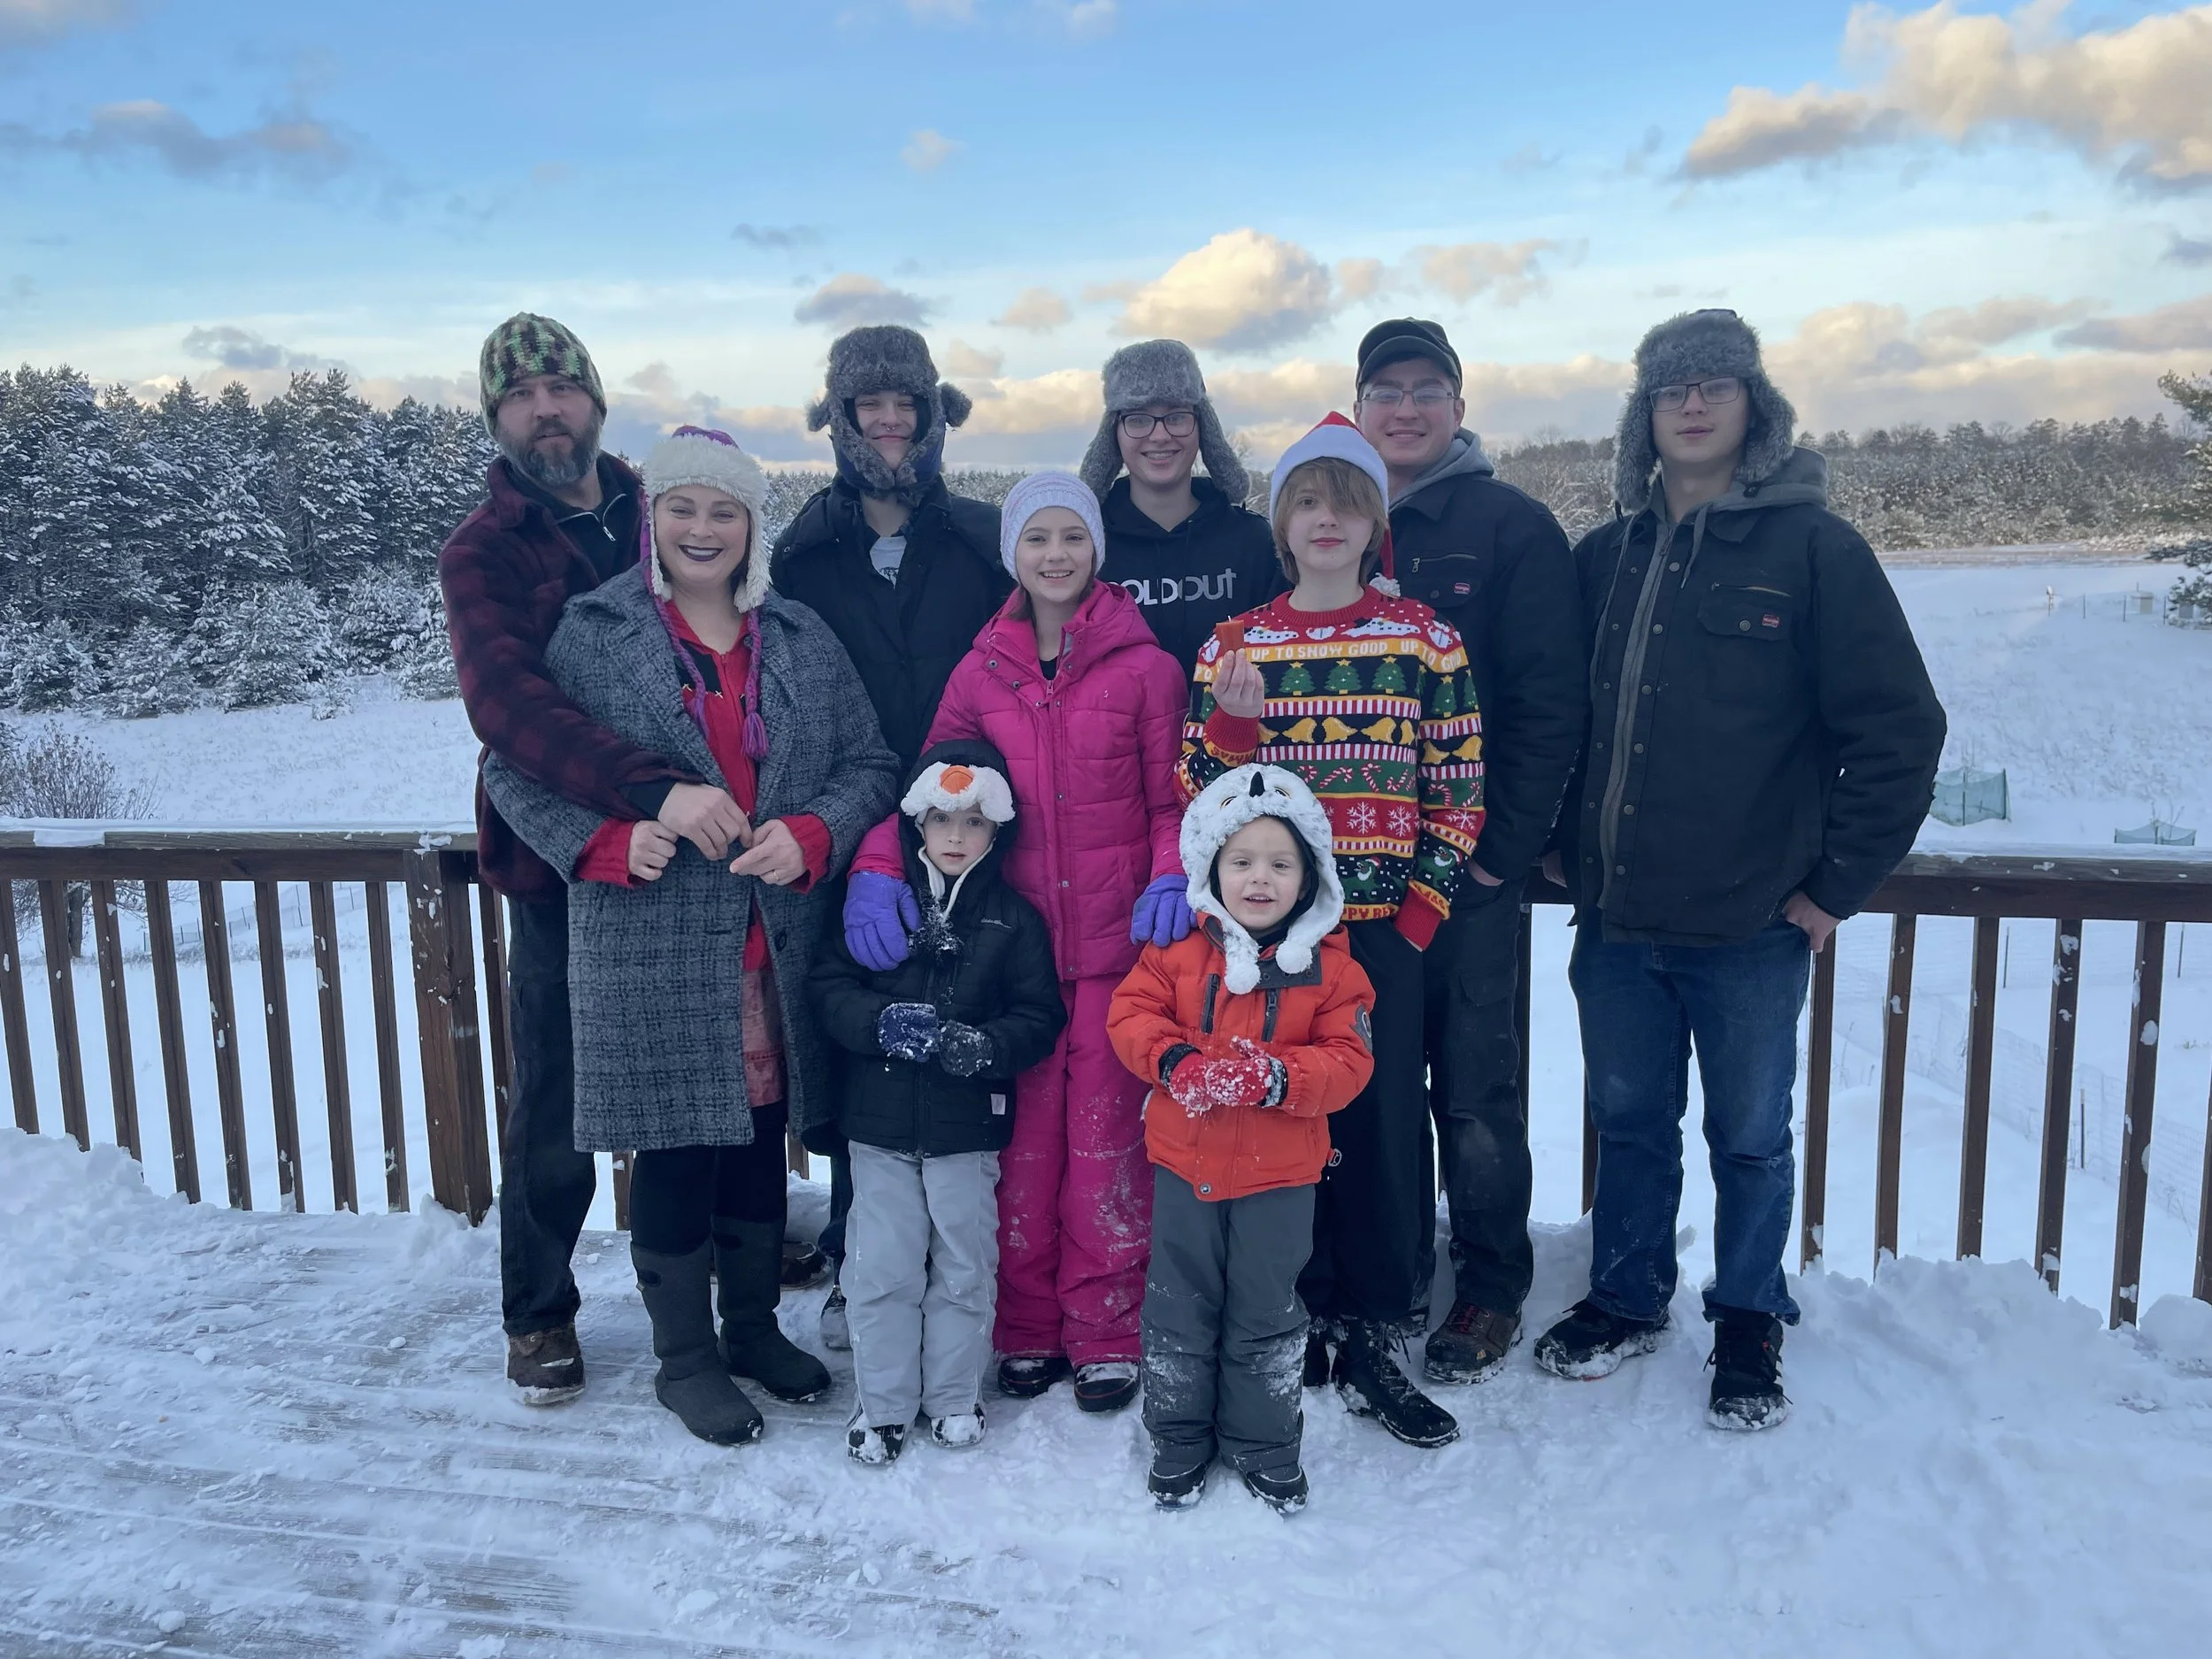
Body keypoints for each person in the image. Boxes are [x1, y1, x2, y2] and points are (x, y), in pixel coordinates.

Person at [1537, 309, 1945, 1430]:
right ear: (1646, 415)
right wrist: (1551, 843)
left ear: (1753, 407)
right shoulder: (1604, 557)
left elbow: (1900, 730)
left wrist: (1834, 887)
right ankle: (1625, 1300)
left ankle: (1750, 1318)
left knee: (1750, 1138)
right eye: (1673, 390)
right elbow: (1550, 712)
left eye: (1718, 385)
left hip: (1754, 924)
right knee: (1627, 1121)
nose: (1696, 404)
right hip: (1616, 920)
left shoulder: (1816, 551)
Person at [480, 426, 900, 1444]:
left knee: (759, 1145)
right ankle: (686, 1359)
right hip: (649, 947)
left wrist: (816, 832)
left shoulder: (797, 636)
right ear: (652, 520)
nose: (702, 528)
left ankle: (751, 1330)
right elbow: (513, 769)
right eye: (682, 507)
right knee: (674, 1150)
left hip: (775, 940)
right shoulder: (594, 633)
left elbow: (873, 764)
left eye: (725, 510)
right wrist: (608, 842)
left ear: (752, 526)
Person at [442, 314, 750, 1405]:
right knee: (560, 1092)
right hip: (563, 871)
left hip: (701, 859)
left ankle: (731, 1266)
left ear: (594, 400)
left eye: (561, 390)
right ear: (498, 418)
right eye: (520, 398)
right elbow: (510, 710)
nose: (546, 411)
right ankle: (539, 1314)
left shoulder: (654, 510)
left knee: (710, 1060)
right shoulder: (485, 551)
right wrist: (644, 793)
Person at [843, 472, 1188, 1413]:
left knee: (1107, 1146)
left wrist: (1171, 872)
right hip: (1011, 960)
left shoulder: (1146, 668)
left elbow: (1171, 802)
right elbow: (927, 789)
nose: (1055, 556)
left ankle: (1107, 1328)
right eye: (1035, 538)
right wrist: (880, 860)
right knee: (1021, 1147)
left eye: (1071, 537)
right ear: (1012, 555)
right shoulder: (979, 670)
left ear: (1095, 550)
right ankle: (1027, 1323)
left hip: (1118, 955)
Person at [1178, 415, 1485, 1450]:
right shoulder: (1234, 645)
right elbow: (1199, 795)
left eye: (1346, 504)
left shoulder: (1423, 641)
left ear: (1373, 524)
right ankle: (1292, 1309)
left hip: (1376, 937)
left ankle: (1374, 1323)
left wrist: (1416, 914)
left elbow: (1458, 785)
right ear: (1281, 522)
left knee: (1381, 1125)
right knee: (1282, 1127)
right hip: (1267, 947)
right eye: (1307, 501)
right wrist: (1230, 730)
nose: (1326, 521)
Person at [1350, 318, 1589, 1386]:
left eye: (1426, 389)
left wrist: (1497, 856)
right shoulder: (1331, 522)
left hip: (1469, 879)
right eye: (1384, 390)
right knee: (1375, 1084)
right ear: (1357, 409)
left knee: (1477, 1093)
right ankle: (1392, 1271)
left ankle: (1490, 1283)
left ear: (1457, 404)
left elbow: (1548, 707)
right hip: (1354, 887)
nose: (1405, 408)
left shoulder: (1507, 526)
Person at [773, 324, 1010, 1350]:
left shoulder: (984, 539)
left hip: (975, 824)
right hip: (848, 828)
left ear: (932, 415)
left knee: (973, 1027)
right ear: (839, 420)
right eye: (866, 406)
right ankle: (858, 1252)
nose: (886, 422)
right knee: (861, 1041)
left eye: (904, 405)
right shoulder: (799, 550)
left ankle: (972, 1265)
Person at [1109, 764, 1377, 1516]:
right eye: (1243, 861)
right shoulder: (1178, 951)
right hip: (1183, 1169)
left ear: (1309, 875)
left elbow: (1351, 1061)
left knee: (1266, 1310)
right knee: (1178, 1305)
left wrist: (1277, 1078)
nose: (1260, 878)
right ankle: (1179, 1434)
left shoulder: (1335, 969)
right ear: (1213, 869)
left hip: (1280, 1179)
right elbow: (1130, 1017)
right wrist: (1174, 1060)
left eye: (1280, 864)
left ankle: (1263, 1442)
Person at [809, 741, 1067, 1463]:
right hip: (879, 1126)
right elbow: (829, 988)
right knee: (881, 1267)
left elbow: (1039, 1015)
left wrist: (986, 1046)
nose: (957, 836)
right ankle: (883, 1404)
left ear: (997, 831)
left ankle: (954, 1396)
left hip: (966, 1130)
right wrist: (878, 1023)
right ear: (917, 823)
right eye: (943, 819)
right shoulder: (877, 904)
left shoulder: (1014, 921)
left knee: (964, 1265)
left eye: (975, 822)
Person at [1076, 339, 1282, 674]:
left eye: (1176, 416)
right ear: (1114, 432)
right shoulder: (1085, 547)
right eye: (1139, 419)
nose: (1160, 436)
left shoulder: (1253, 542)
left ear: (1203, 427)